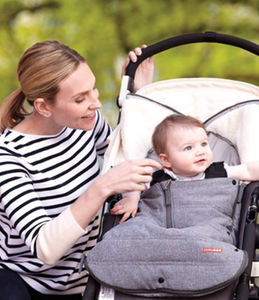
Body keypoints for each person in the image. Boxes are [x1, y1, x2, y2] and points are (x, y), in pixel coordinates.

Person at [0, 41, 160, 300]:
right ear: (43, 107)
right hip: (24, 281)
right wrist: (101, 187)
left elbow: (127, 152)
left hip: (85, 280)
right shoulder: (8, 158)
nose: (95, 104)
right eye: (80, 98)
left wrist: (139, 96)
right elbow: (45, 247)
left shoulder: (85, 122)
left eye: (93, 88)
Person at [111, 114, 259, 222]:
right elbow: (134, 185)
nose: (200, 152)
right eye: (188, 148)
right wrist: (132, 199)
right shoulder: (158, 177)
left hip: (205, 225)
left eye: (204, 144)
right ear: (166, 160)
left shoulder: (216, 172)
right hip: (163, 227)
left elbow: (248, 171)